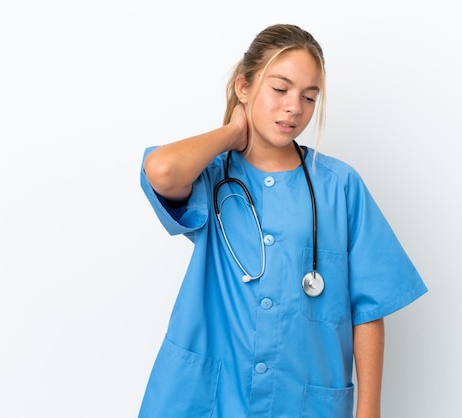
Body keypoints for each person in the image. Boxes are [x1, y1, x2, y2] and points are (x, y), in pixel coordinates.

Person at [138, 23, 427, 418]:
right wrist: (234, 130)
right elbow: (162, 170)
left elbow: (369, 309)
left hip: (300, 400)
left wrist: (369, 410)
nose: (295, 107)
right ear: (244, 86)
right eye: (280, 89)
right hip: (206, 398)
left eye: (310, 97)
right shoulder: (212, 175)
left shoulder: (339, 186)